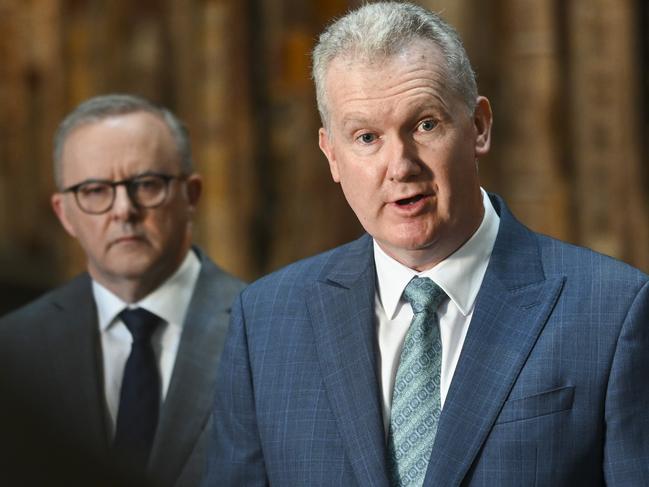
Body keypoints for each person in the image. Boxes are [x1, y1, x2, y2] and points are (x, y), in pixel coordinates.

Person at [204, 3, 649, 486]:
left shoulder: (614, 309)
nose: (400, 166)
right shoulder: (265, 322)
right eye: (367, 137)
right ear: (331, 155)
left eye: (425, 125)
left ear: (479, 127)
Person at [0, 94, 245, 486]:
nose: (123, 209)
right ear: (65, 213)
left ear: (191, 196)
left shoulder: (269, 329)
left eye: (146, 184)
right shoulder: (13, 349)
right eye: (95, 190)